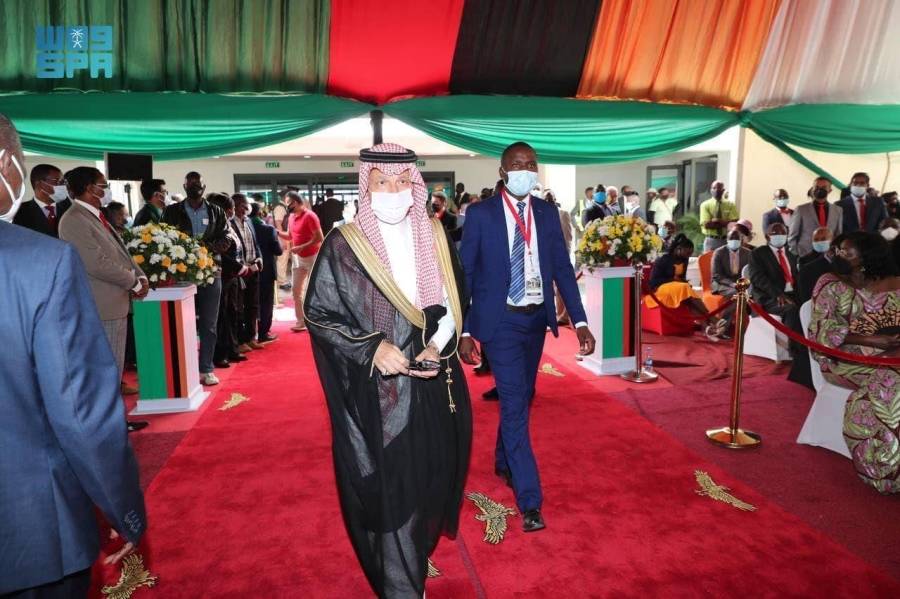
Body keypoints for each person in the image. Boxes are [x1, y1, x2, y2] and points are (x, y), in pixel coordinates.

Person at [304, 143, 471, 598]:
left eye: (402, 182)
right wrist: (372, 348)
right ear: (367, 185)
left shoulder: (434, 234)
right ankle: (401, 587)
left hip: (435, 381)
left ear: (415, 185)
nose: (393, 192)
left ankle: (412, 561)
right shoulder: (345, 243)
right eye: (382, 182)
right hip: (378, 391)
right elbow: (319, 313)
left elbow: (453, 303)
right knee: (393, 485)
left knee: (432, 476)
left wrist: (435, 347)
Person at [0, 113, 147, 597]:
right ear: (6, 163)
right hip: (29, 527)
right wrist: (122, 505)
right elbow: (78, 408)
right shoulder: (38, 262)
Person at [459, 141, 595, 533]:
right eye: (518, 164)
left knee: (523, 394)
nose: (526, 170)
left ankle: (503, 459)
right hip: (500, 321)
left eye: (531, 164)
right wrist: (465, 329)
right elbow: (467, 273)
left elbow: (563, 270)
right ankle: (530, 499)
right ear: (503, 171)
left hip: (536, 319)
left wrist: (580, 321)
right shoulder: (481, 213)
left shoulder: (547, 213)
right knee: (516, 403)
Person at [57, 166, 150, 434]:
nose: (107, 189)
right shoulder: (74, 219)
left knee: (113, 369)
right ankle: (110, 427)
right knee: (107, 371)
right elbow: (95, 263)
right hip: (102, 305)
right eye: (103, 184)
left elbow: (120, 253)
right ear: (90, 188)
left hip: (114, 302)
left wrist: (140, 275)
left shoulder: (95, 215)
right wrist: (132, 281)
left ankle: (115, 422)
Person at [808, 231, 900, 493]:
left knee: (892, 374)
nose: (840, 254)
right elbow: (821, 330)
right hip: (843, 357)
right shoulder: (831, 283)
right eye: (838, 249)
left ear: (869, 253)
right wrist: (871, 341)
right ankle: (885, 467)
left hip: (893, 355)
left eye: (847, 250)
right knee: (890, 381)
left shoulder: (895, 282)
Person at [162, 172, 231, 386]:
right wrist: (186, 252)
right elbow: (164, 236)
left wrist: (203, 250)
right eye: (190, 183)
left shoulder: (216, 211)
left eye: (198, 183)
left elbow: (226, 237)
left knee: (209, 324)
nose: (194, 186)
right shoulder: (172, 211)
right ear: (184, 186)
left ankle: (206, 369)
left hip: (211, 272)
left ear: (204, 186)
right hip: (182, 273)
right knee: (183, 323)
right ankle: (185, 367)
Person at [647, 234, 725, 338]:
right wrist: (674, 280)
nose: (688, 256)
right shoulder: (663, 259)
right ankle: (712, 317)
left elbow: (682, 277)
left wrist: (684, 281)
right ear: (678, 249)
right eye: (687, 253)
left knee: (689, 300)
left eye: (690, 254)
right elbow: (654, 280)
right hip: (660, 287)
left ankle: (706, 328)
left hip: (677, 288)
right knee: (684, 287)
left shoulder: (684, 259)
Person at [209, 193, 248, 369]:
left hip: (233, 275)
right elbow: (220, 253)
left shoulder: (228, 224)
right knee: (221, 316)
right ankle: (220, 354)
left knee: (233, 313)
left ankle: (233, 349)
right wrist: (238, 267)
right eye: (231, 208)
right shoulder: (215, 227)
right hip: (222, 274)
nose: (233, 211)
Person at [748, 222, 803, 345]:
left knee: (810, 307)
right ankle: (796, 349)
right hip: (769, 298)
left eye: (783, 233)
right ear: (767, 237)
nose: (779, 235)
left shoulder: (791, 255)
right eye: (774, 233)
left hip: (791, 295)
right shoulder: (758, 254)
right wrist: (778, 294)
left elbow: (796, 280)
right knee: (792, 310)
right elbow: (758, 278)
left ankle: (816, 346)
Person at [278, 191, 323, 333]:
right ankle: (301, 321)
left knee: (315, 290)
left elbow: (319, 238)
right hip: (298, 259)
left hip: (312, 257)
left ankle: (320, 321)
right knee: (296, 291)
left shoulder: (310, 216)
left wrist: (301, 247)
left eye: (287, 203)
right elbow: (290, 236)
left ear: (294, 203)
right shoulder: (292, 216)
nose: (286, 206)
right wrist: (276, 233)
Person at [231, 193, 265, 352]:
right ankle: (240, 340)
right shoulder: (230, 223)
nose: (249, 207)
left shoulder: (249, 221)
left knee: (253, 305)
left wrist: (259, 258)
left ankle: (251, 337)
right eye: (246, 204)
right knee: (239, 307)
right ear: (240, 205)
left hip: (254, 269)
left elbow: (255, 243)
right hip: (240, 271)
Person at [250, 201, 282, 343]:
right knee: (266, 302)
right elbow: (278, 251)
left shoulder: (245, 227)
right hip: (266, 270)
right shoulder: (268, 229)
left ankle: (250, 334)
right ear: (260, 213)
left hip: (249, 270)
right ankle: (263, 332)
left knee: (250, 302)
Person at [789, 176, 844, 257]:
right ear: (812, 189)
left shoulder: (838, 210)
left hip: (829, 255)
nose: (819, 189)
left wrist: (837, 253)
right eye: (817, 187)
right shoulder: (801, 209)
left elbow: (838, 234)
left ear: (830, 190)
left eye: (824, 187)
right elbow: (793, 235)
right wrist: (795, 255)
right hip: (806, 254)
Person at [12, 163, 68, 237]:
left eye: (63, 182)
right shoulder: (19, 212)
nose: (62, 186)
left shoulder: (69, 209)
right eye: (57, 181)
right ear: (39, 184)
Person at [797, 227, 835, 305]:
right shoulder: (805, 262)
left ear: (833, 239)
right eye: (816, 239)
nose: (820, 242)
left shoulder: (842, 259)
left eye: (823, 239)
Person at [699, 180, 738, 252]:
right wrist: (726, 224)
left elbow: (735, 223)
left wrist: (717, 220)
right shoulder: (705, 205)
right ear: (711, 190)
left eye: (719, 188)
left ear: (723, 190)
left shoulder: (730, 204)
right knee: (709, 259)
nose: (716, 190)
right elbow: (706, 225)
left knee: (726, 259)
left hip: (726, 240)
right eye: (714, 188)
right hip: (711, 241)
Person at [271, 191, 293, 290]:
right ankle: (282, 282)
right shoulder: (280, 208)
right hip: (283, 235)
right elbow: (278, 223)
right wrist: (282, 239)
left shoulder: (285, 207)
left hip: (287, 235)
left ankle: (283, 280)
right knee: (282, 259)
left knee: (286, 258)